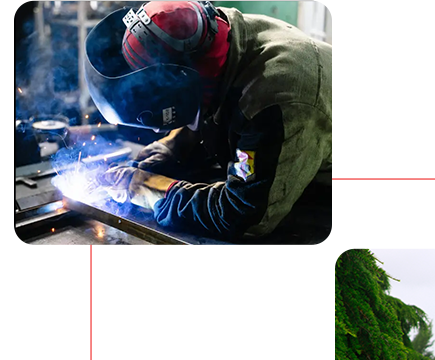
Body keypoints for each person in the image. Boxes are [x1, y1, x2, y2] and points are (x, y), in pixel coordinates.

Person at [85, 1, 334, 241]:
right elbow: (214, 105)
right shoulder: (208, 33)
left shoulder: (277, 100)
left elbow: (240, 215)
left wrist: (145, 186)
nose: (156, 129)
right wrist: (168, 152)